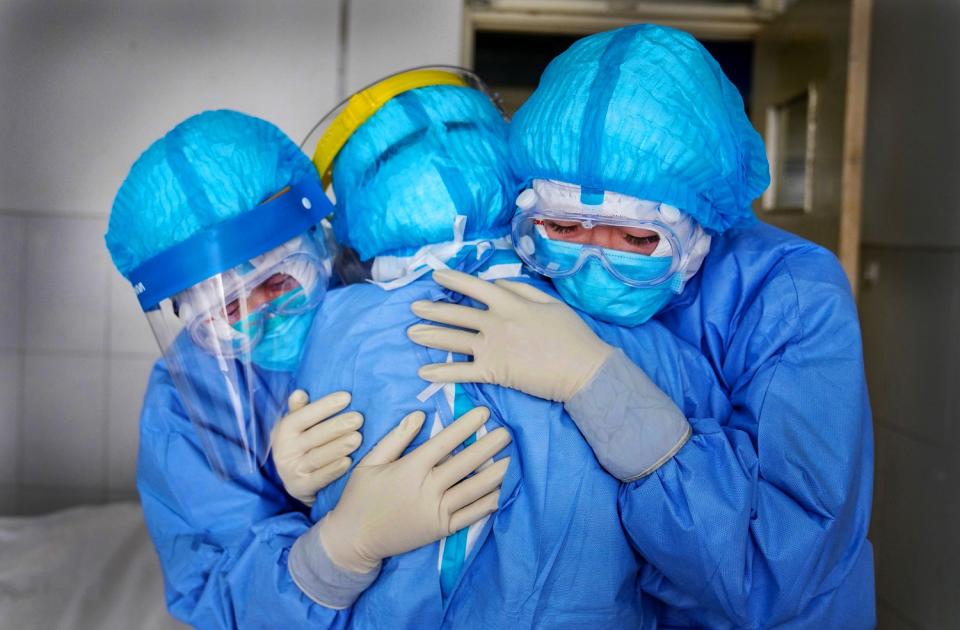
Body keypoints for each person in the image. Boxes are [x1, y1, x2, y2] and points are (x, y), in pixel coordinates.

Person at [408, 25, 876, 628]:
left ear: (701, 222)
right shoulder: (526, 265)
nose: (589, 262)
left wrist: (594, 381)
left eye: (634, 239)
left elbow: (772, 569)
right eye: (564, 228)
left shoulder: (790, 294)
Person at [277, 67, 731, 627]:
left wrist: (321, 533)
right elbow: (715, 548)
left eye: (636, 239)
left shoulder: (328, 326)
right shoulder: (621, 320)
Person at [105, 109, 510, 628]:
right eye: (229, 312)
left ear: (319, 240)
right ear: (189, 315)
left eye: (278, 284)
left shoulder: (397, 290)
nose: (265, 319)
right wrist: (336, 550)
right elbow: (213, 589)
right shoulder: (185, 401)